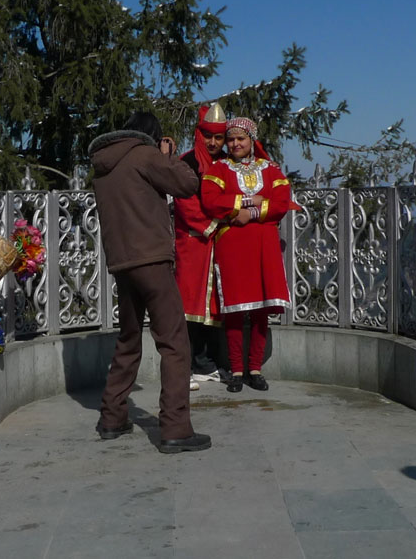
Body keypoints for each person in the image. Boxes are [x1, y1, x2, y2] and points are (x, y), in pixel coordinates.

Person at [88, 112, 212, 453]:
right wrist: (165, 156)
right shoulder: (144, 155)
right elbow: (187, 183)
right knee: (174, 343)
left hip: (121, 262)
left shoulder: (103, 165)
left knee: (128, 340)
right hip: (152, 260)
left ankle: (112, 418)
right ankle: (176, 428)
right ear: (152, 135)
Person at [200, 116, 298, 393]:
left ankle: (254, 369)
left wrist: (252, 212)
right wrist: (246, 201)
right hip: (232, 245)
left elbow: (281, 203)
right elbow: (210, 200)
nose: (234, 144)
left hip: (264, 245)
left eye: (240, 139)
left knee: (260, 310)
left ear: (252, 140)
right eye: (231, 139)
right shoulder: (219, 169)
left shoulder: (271, 169)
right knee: (234, 309)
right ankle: (236, 370)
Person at [174, 103, 231, 385]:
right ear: (199, 134)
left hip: (219, 245)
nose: (213, 142)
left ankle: (206, 364)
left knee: (215, 308)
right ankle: (185, 366)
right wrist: (217, 223)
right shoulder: (187, 163)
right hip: (194, 244)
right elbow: (185, 204)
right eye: (208, 136)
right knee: (190, 307)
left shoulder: (228, 164)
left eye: (218, 137)